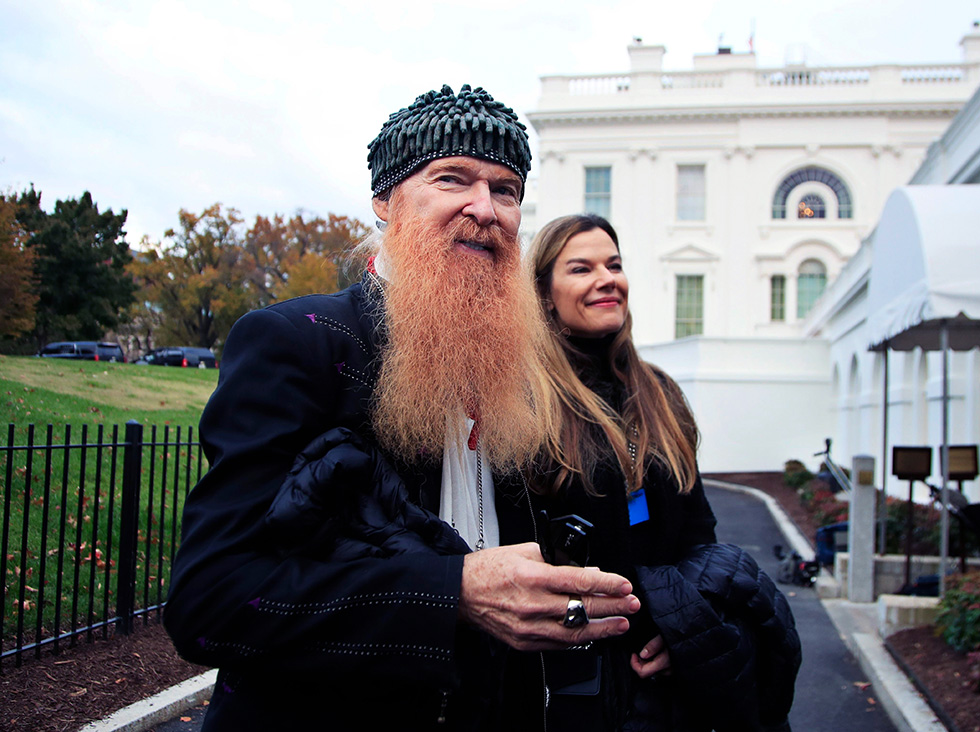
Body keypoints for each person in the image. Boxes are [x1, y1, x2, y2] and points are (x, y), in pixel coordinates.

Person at [164, 85, 640, 731]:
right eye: (453, 179)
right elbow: (212, 602)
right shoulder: (296, 342)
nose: (486, 209)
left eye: (506, 190)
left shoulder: (512, 371)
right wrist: (455, 592)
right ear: (385, 201)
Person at [518, 213, 801, 732]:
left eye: (615, 264)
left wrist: (684, 632)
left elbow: (700, 534)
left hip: (670, 681)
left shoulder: (660, 394)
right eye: (581, 268)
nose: (607, 278)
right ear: (544, 297)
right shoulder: (526, 403)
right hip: (573, 684)